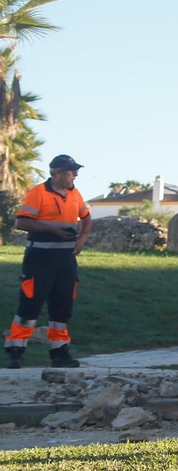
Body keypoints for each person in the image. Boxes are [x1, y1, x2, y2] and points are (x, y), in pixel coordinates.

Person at [6, 154, 91, 369]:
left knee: (63, 305)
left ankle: (59, 352)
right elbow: (21, 222)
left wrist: (82, 238)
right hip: (40, 259)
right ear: (57, 173)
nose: (76, 175)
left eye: (75, 171)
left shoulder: (75, 194)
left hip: (66, 260)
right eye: (71, 171)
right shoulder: (38, 193)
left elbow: (86, 216)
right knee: (31, 302)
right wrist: (52, 229)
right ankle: (15, 351)